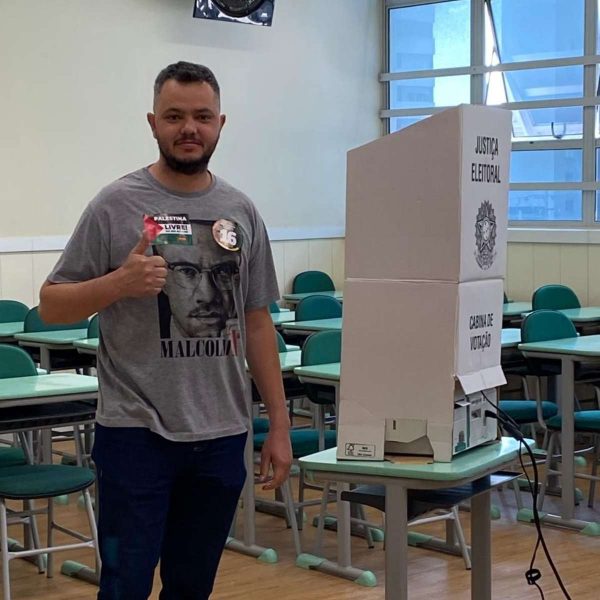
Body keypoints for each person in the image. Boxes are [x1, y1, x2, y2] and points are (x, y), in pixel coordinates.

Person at [38, 61, 292, 600]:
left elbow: (256, 320)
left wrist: (279, 425)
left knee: (191, 586)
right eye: (174, 116)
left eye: (201, 116)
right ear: (153, 123)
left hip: (223, 432)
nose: (189, 128)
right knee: (125, 585)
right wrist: (118, 283)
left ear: (221, 123)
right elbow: (51, 306)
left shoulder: (240, 210)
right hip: (136, 433)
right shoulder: (114, 204)